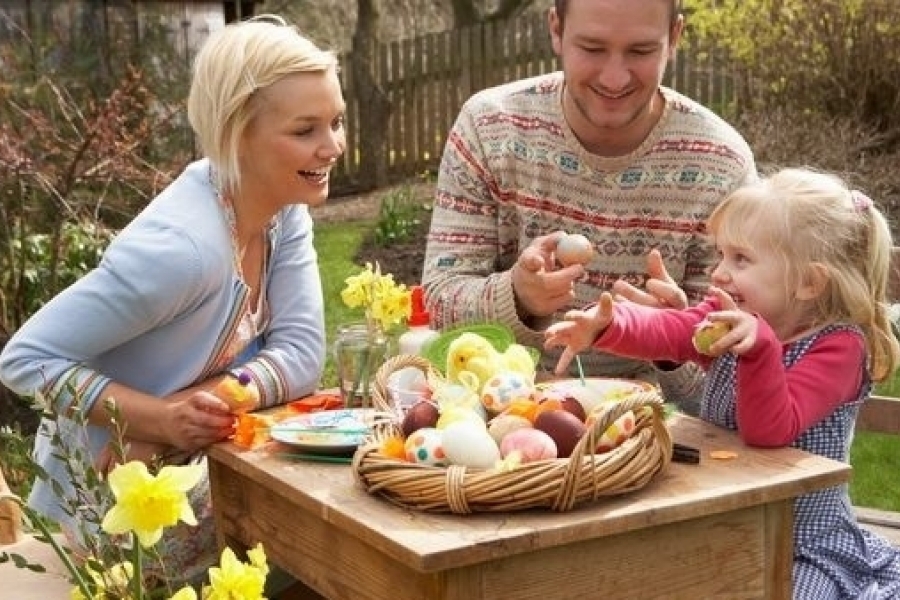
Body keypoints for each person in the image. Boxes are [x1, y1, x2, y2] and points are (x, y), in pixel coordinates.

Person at [0, 15, 345, 588]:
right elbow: (24, 360)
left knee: (328, 537)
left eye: (335, 121)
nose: (332, 146)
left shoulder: (285, 210)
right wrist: (156, 417)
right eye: (306, 129)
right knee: (323, 555)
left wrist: (188, 408)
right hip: (115, 515)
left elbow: (305, 355)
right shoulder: (180, 253)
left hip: (186, 467)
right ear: (237, 134)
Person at [545, 168, 900, 599]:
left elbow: (771, 430)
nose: (718, 273)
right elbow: (672, 329)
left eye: (740, 259)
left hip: (801, 541)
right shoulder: (729, 316)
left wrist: (759, 349)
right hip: (719, 521)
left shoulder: (840, 348)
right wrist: (607, 325)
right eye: (721, 255)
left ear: (808, 282)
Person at [421, 0, 757, 412]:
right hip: (499, 417)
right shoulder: (489, 128)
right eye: (593, 48)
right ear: (556, 30)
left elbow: (739, 378)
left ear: (674, 38)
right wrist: (517, 297)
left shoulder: (721, 164)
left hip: (649, 433)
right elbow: (439, 300)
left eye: (640, 51)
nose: (614, 78)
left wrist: (671, 341)